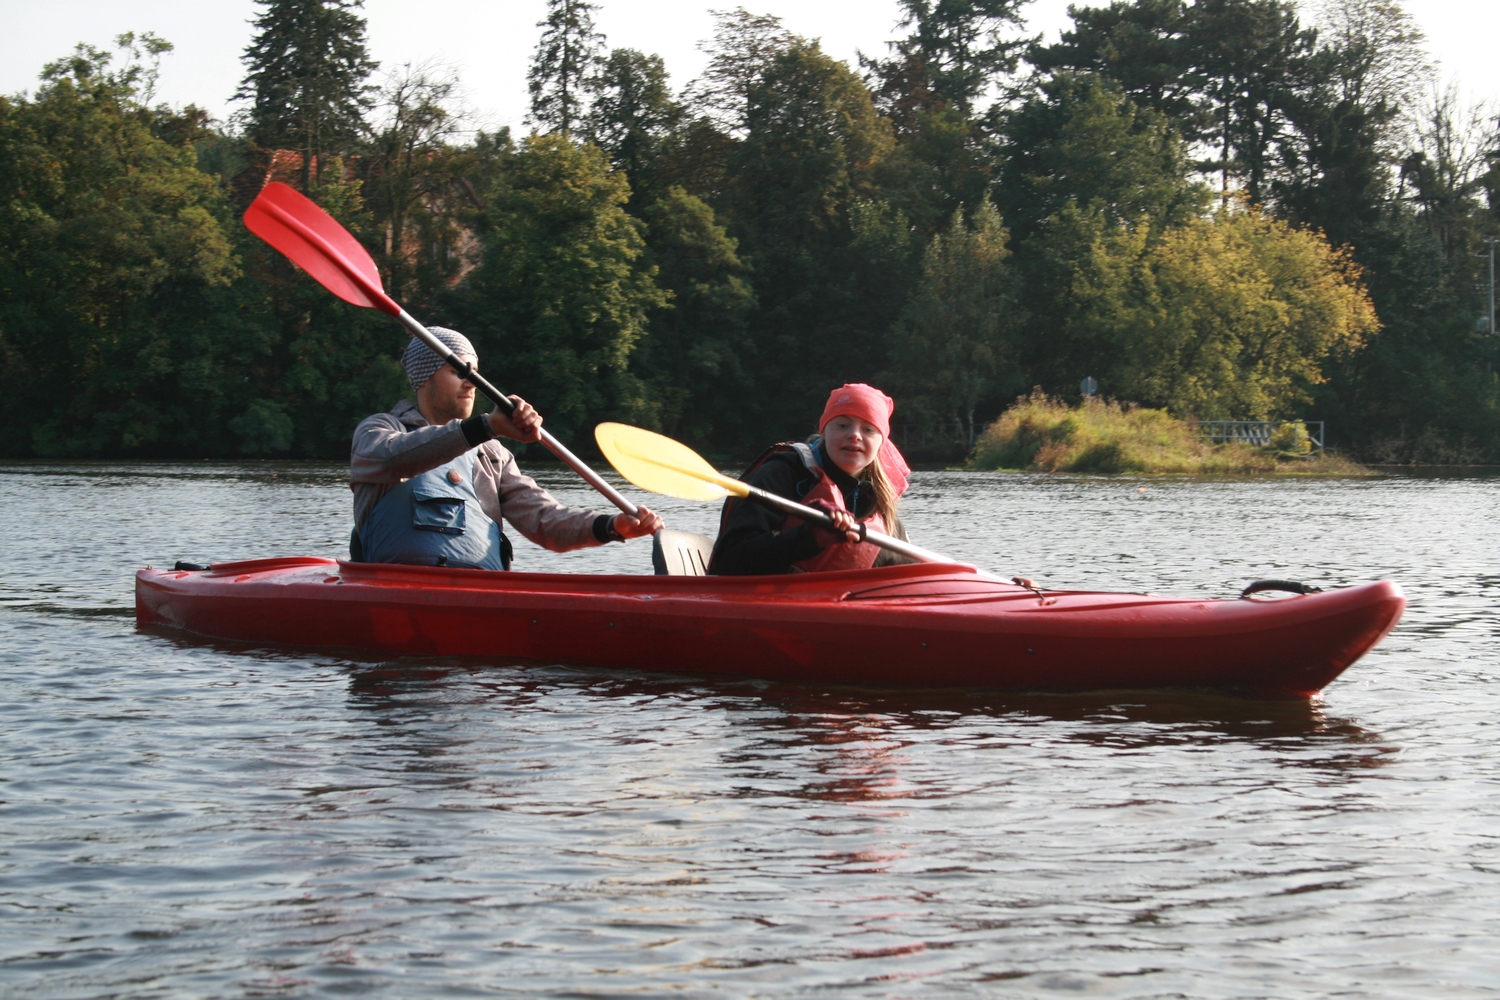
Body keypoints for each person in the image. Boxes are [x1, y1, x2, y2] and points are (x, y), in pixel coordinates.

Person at [350, 327, 662, 570]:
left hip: (478, 596)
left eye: (475, 374)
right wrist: (486, 426)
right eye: (459, 372)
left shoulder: (491, 455)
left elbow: (544, 520)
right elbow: (394, 459)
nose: (471, 383)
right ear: (424, 378)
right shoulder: (379, 430)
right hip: (393, 590)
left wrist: (610, 526)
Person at [709, 383, 915, 575]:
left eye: (868, 429)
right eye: (842, 425)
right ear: (824, 431)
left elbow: (907, 571)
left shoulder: (877, 498)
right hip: (764, 596)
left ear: (881, 442)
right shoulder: (782, 473)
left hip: (836, 598)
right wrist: (809, 536)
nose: (854, 435)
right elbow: (730, 559)